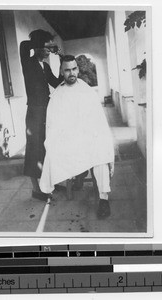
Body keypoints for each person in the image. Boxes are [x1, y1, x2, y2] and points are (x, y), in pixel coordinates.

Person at [39, 55, 115, 219]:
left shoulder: (87, 91)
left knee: (101, 155)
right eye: (67, 70)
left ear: (78, 69)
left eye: (74, 69)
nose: (71, 73)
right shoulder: (57, 95)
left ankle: (103, 199)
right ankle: (78, 175)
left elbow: (97, 121)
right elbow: (53, 125)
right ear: (61, 71)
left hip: (88, 138)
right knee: (54, 153)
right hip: (68, 141)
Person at [20, 29, 62, 201]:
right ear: (37, 46)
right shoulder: (27, 62)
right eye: (46, 47)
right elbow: (24, 45)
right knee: (34, 149)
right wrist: (42, 42)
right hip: (34, 113)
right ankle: (36, 190)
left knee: (48, 147)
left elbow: (56, 83)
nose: (48, 51)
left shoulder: (45, 66)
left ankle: (48, 182)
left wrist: (59, 57)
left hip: (47, 111)